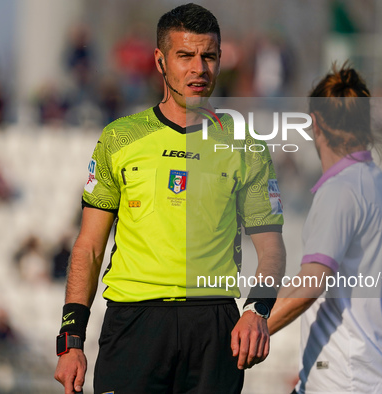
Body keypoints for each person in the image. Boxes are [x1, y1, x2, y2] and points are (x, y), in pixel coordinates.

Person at [54, 4, 286, 394]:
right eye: (186, 56)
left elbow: (272, 250)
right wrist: (70, 340)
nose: (199, 68)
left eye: (208, 56)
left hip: (214, 324)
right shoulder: (119, 138)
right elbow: (90, 247)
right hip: (134, 323)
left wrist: (257, 309)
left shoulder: (246, 144)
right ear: (160, 61)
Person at [267, 64, 382, 394]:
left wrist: (251, 332)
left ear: (315, 124)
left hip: (343, 382)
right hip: (373, 375)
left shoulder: (339, 190)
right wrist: (367, 325)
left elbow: (310, 283)